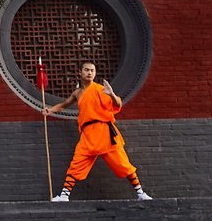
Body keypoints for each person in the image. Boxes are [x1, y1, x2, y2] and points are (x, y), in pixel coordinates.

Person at [45, 62, 152, 202]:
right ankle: (64, 196)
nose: (89, 73)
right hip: (88, 134)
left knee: (123, 163)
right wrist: (49, 110)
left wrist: (112, 94)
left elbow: (117, 104)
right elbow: (63, 105)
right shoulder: (77, 93)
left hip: (104, 132)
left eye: (92, 70)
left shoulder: (101, 89)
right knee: (76, 163)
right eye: (86, 70)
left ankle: (140, 193)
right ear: (80, 72)